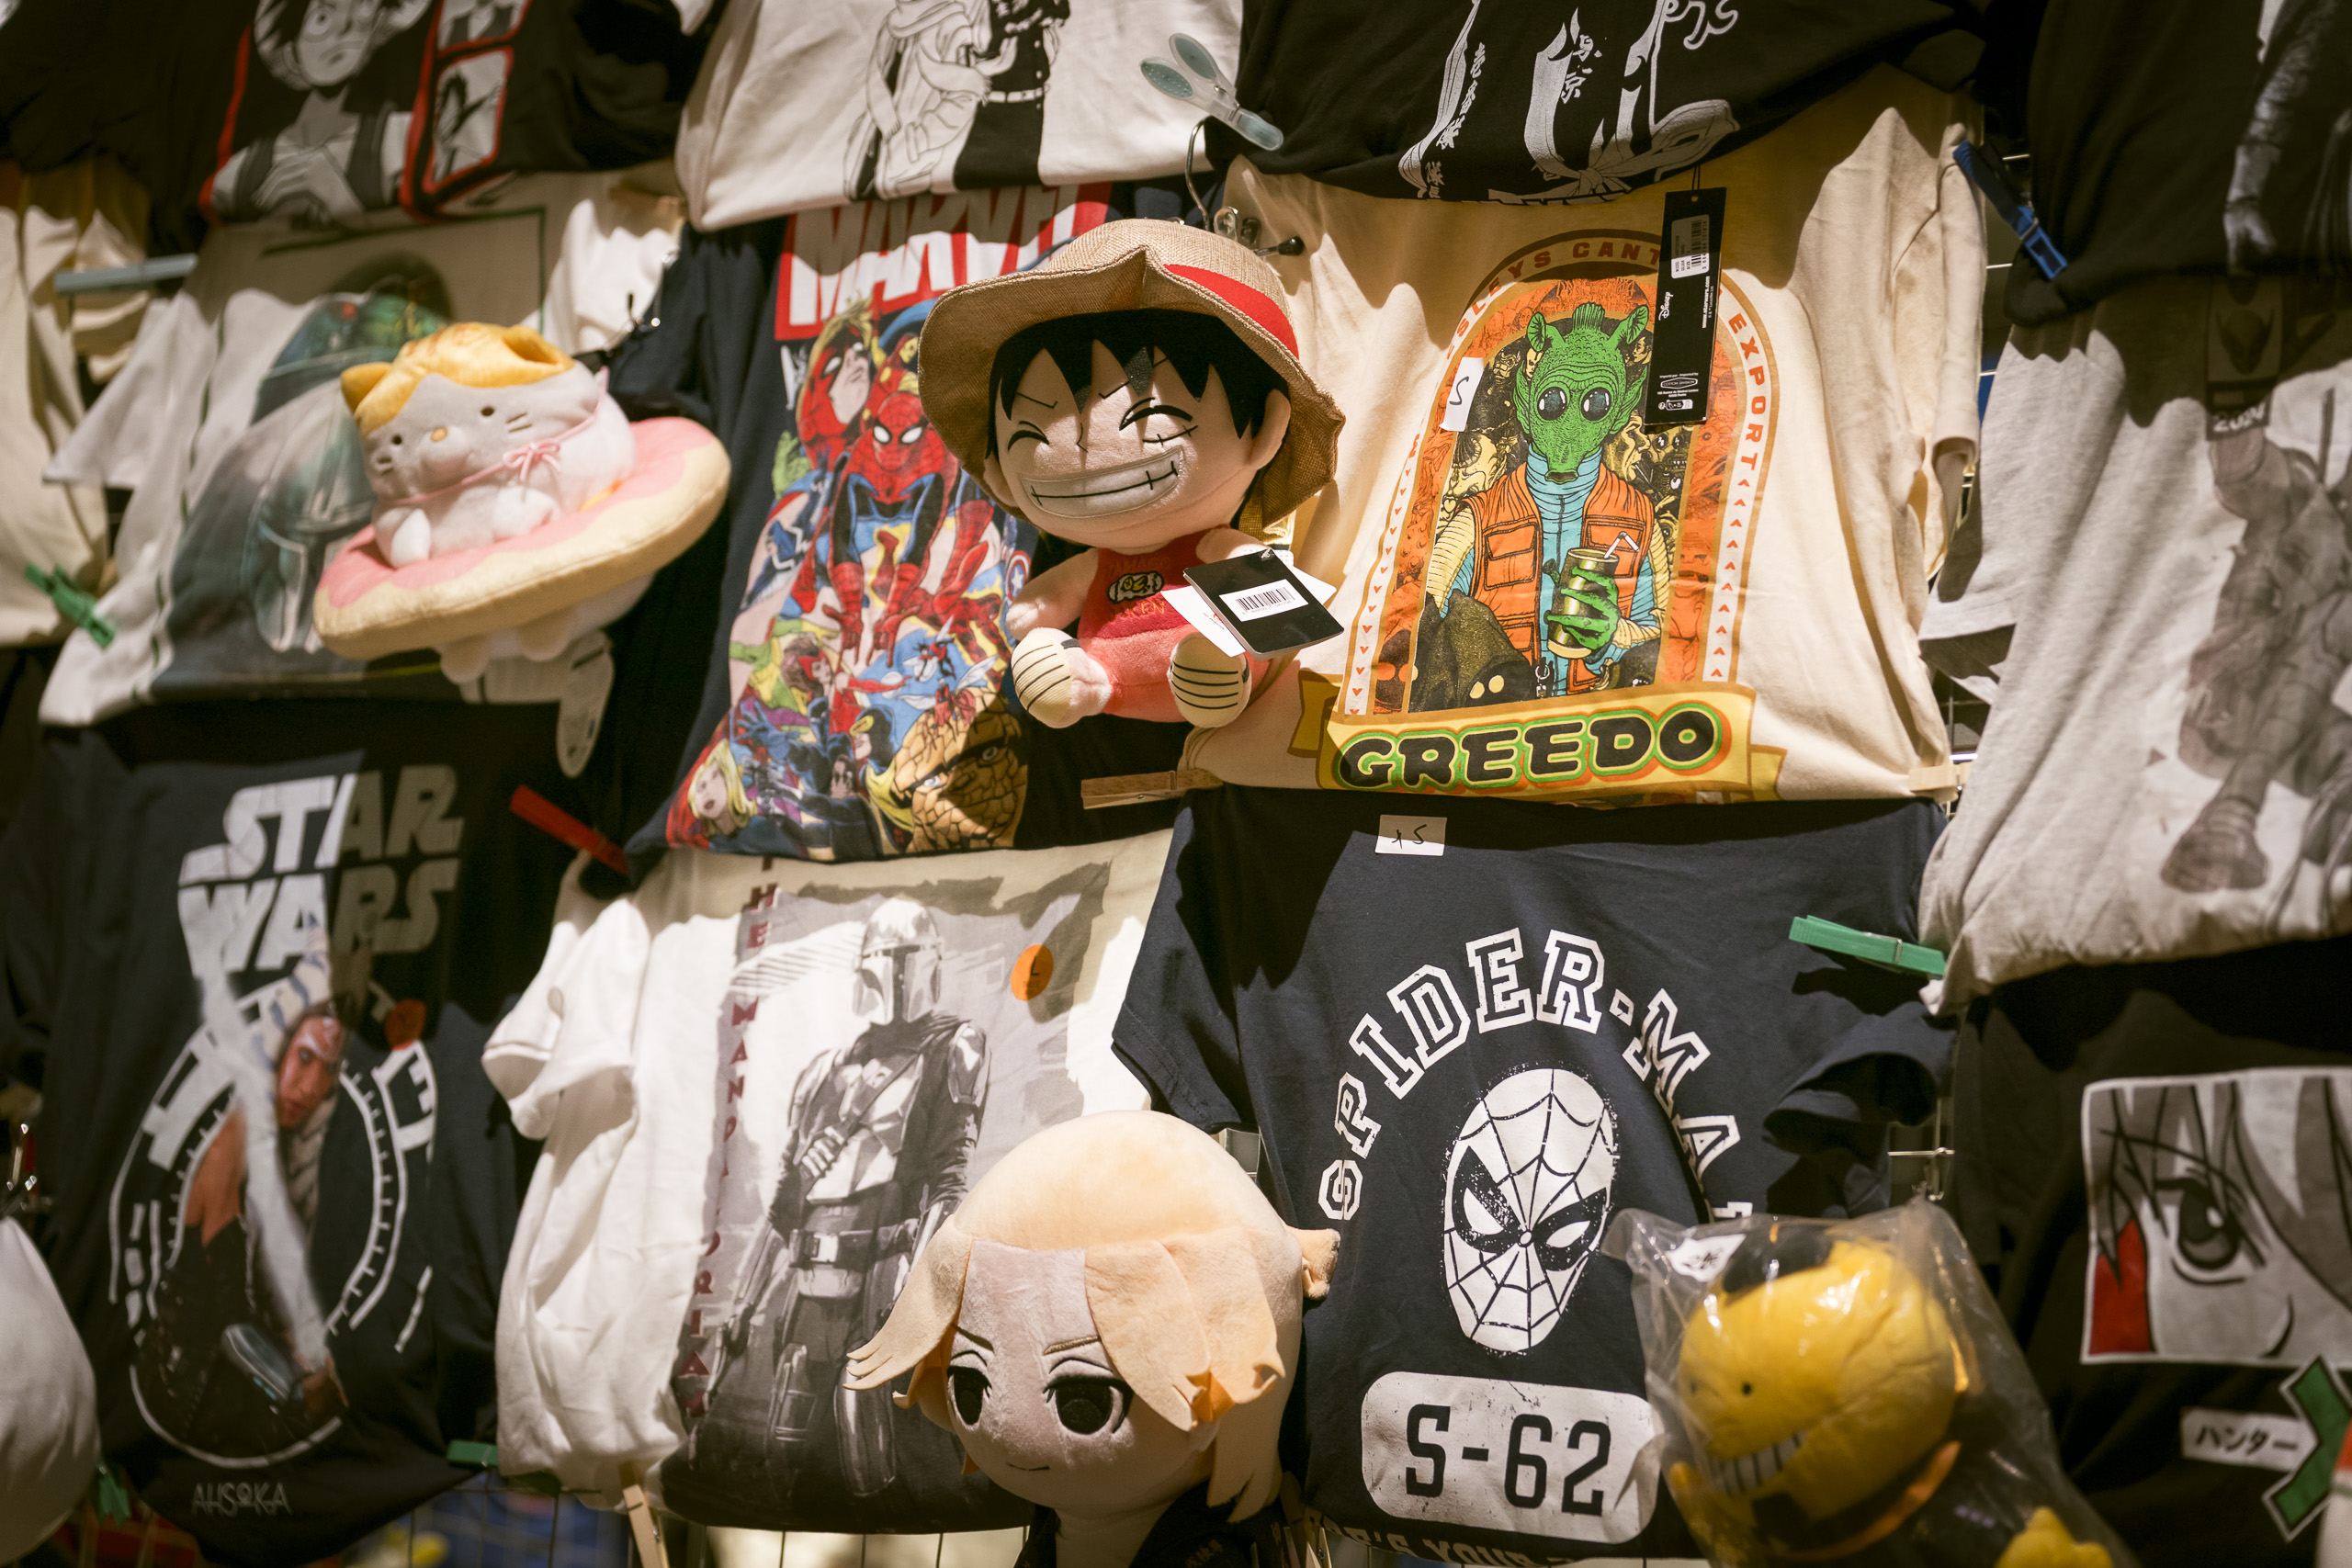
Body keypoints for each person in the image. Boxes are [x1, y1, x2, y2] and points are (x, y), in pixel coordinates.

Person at [701, 898, 989, 1498]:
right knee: (789, 1458)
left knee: (874, 1457)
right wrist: (744, 1304)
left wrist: (919, 1290)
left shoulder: (953, 1047)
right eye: (889, 960)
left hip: (883, 1278)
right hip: (809, 1290)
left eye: (905, 959)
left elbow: (948, 1181)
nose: (897, 975)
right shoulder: (825, 1072)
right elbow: (784, 1212)